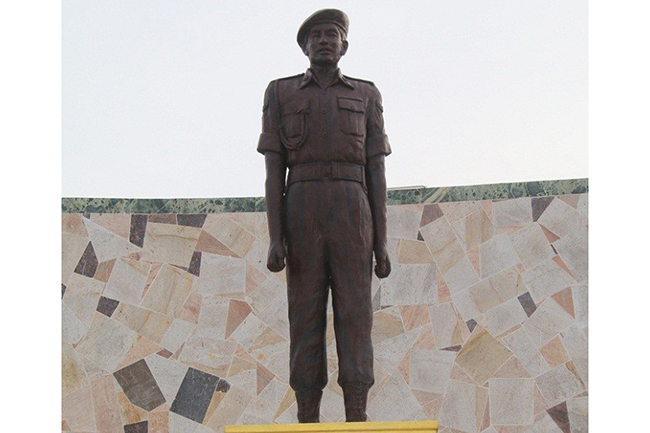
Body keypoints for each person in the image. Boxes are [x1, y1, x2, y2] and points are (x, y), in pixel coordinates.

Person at [257, 9, 392, 423]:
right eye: (315, 35)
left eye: (331, 34)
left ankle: (357, 416)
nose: (323, 41)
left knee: (355, 313)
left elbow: (377, 173)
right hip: (302, 208)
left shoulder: (366, 95)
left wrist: (382, 242)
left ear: (344, 45)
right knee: (305, 312)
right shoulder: (281, 93)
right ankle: (307, 418)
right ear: (305, 46)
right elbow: (273, 173)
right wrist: (275, 236)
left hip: (353, 209)